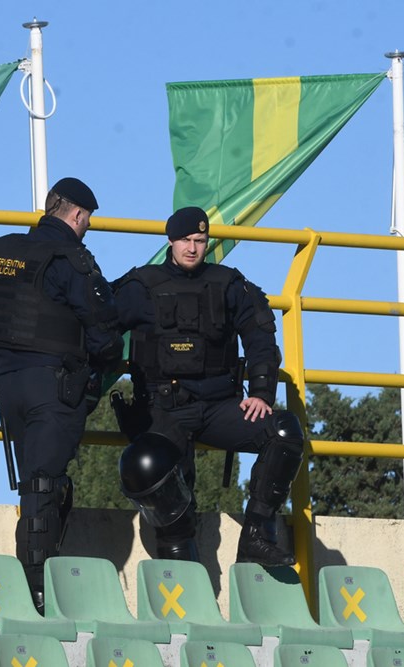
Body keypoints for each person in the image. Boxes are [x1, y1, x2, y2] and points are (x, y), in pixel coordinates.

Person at [0, 177, 123, 611]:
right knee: (43, 485)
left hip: (7, 385)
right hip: (53, 387)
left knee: (38, 483)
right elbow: (105, 337)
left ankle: (41, 579)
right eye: (88, 220)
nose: (87, 227)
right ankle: (37, 594)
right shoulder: (72, 260)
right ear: (77, 215)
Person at [113, 206, 304, 566]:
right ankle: (179, 563)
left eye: (200, 240)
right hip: (162, 408)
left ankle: (257, 536)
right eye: (185, 240)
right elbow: (97, 329)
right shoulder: (141, 286)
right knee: (154, 464)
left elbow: (261, 337)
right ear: (171, 241)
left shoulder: (228, 284)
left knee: (283, 432)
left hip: (219, 407)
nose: (192, 248)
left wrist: (261, 393)